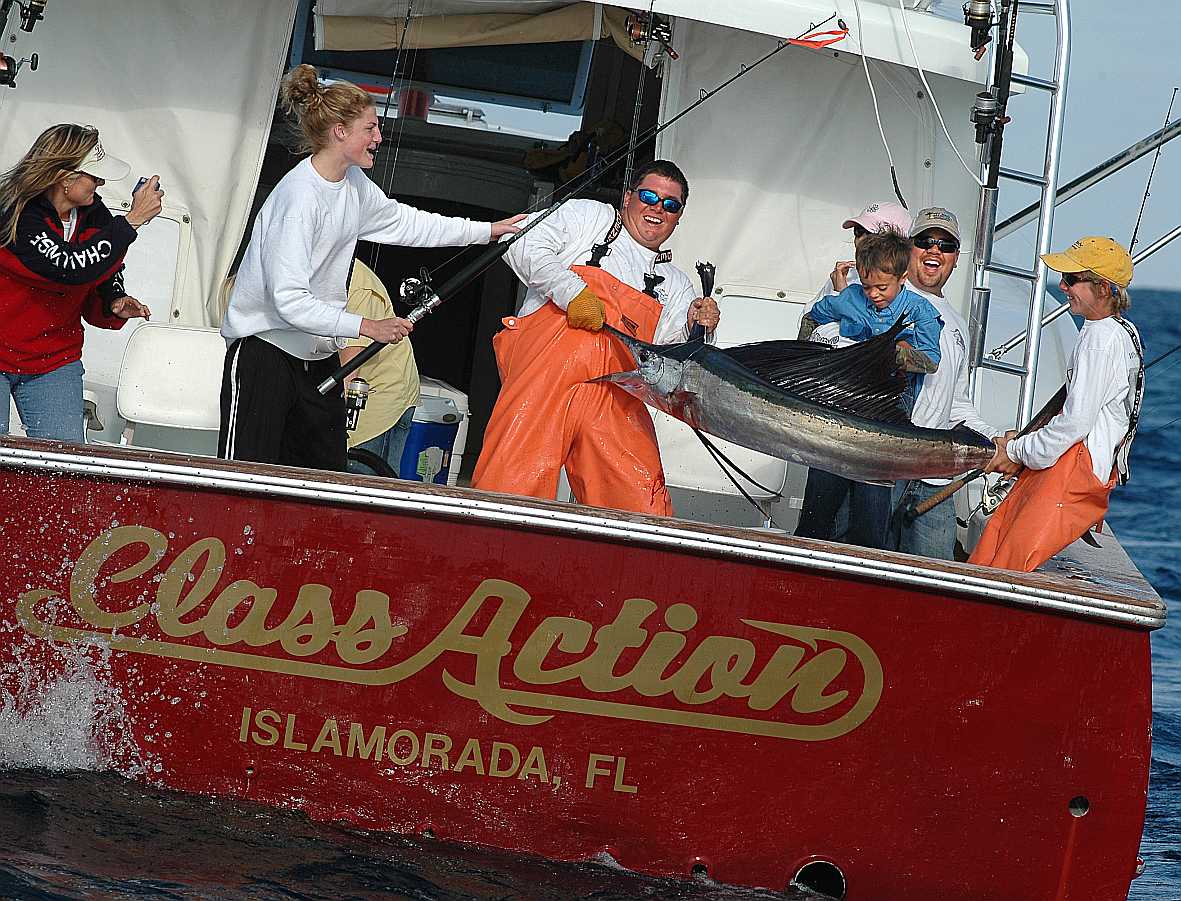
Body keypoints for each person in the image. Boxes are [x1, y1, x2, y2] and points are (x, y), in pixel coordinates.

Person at [219, 64, 523, 472]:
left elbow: (406, 222)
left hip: (316, 357)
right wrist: (368, 326)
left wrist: (486, 230)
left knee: (324, 477)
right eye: (371, 128)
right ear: (340, 131)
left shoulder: (354, 185)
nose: (379, 138)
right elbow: (288, 301)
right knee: (245, 478)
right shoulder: (298, 199)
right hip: (265, 353)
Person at [471, 159, 721, 515]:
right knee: (509, 489)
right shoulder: (590, 218)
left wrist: (699, 329)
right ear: (627, 197)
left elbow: (670, 361)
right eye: (649, 196)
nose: (657, 209)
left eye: (670, 204)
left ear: (679, 216)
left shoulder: (677, 285)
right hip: (545, 381)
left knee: (642, 511)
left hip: (616, 397)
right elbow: (518, 242)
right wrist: (574, 293)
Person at [969, 237, 1143, 573]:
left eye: (1072, 279)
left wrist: (1018, 451)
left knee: (1004, 568)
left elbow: (1075, 424)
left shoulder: (1099, 340)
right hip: (1081, 469)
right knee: (996, 553)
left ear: (1104, 289)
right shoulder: (1123, 332)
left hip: (1071, 472)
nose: (1063, 286)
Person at [0, 124, 161, 443]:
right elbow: (66, 267)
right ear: (64, 176)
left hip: (53, 359)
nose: (101, 182)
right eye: (94, 175)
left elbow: (98, 269)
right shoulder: (15, 213)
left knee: (64, 466)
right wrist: (131, 222)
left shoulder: (93, 213)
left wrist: (113, 301)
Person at [794, 229, 942, 548]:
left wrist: (899, 353)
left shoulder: (921, 312)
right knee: (818, 505)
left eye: (882, 287)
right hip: (841, 407)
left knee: (872, 514)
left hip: (885, 417)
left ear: (903, 277)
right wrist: (809, 350)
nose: (873, 294)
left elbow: (931, 361)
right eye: (867, 286)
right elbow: (812, 318)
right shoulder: (849, 298)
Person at [888, 207, 998, 559]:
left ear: (955, 258)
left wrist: (995, 442)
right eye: (925, 241)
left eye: (946, 245)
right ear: (909, 248)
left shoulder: (958, 324)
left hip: (935, 476)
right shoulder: (884, 300)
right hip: (885, 467)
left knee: (935, 582)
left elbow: (957, 404)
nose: (935, 250)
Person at [340, 259, 418, 477]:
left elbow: (349, 365)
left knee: (364, 481)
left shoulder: (356, 282)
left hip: (377, 393)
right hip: (357, 384)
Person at [808, 201, 912, 310]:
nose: (861, 240)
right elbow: (808, 317)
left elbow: (879, 325)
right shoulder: (844, 274)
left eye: (871, 234)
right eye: (858, 232)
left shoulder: (913, 288)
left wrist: (842, 296)